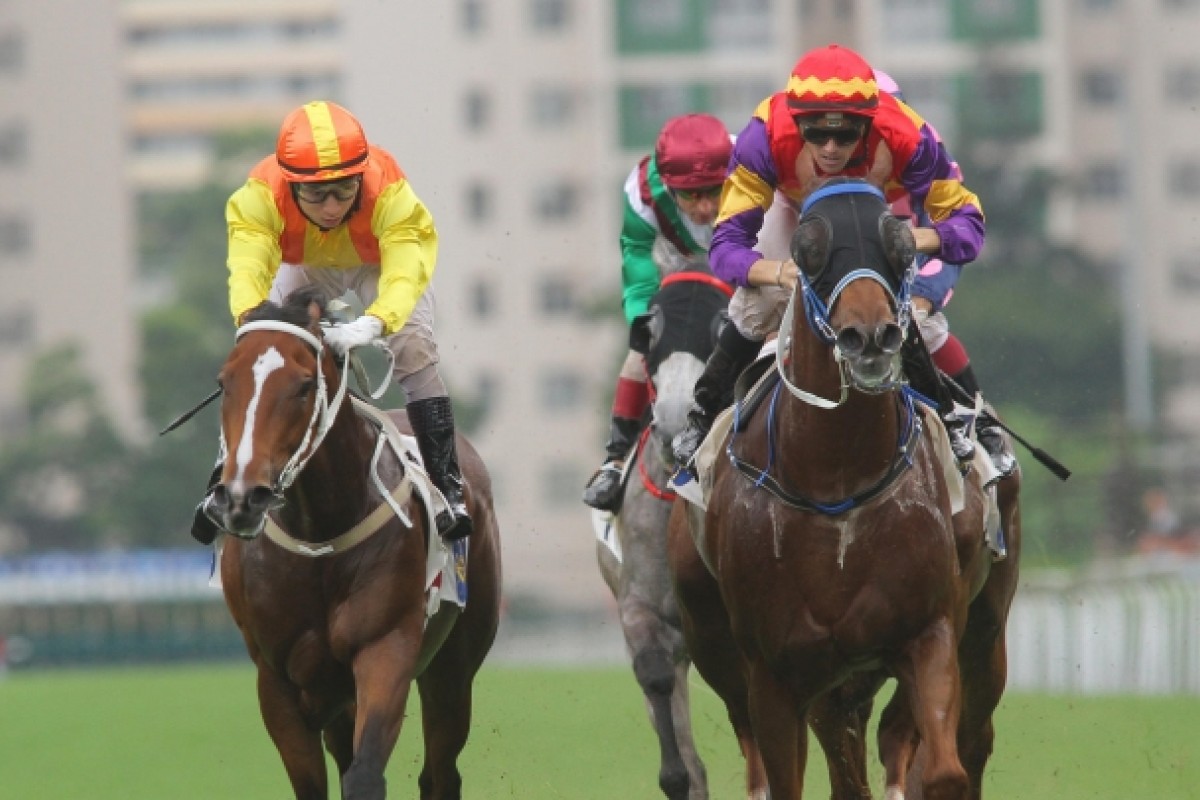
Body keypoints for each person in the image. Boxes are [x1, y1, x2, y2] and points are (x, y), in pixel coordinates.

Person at [671, 43, 992, 474]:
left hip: (877, 211)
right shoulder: (764, 134)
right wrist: (777, 273)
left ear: (870, 123)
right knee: (754, 305)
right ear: (795, 121)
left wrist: (914, 241)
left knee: (916, 316)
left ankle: (970, 421)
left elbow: (969, 227)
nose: (830, 149)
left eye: (846, 135)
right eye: (816, 134)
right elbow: (726, 247)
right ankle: (700, 417)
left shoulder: (909, 136)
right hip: (794, 207)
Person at [190, 100, 472, 544]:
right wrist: (251, 319)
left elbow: (405, 272)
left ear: (361, 176)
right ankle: (222, 479)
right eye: (317, 195)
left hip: (377, 265)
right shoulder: (258, 196)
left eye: (344, 190)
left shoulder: (390, 192)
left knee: (413, 346)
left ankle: (447, 487)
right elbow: (248, 270)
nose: (332, 207)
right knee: (259, 355)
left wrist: (372, 324)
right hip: (305, 264)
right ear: (290, 185)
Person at [581, 113, 733, 511]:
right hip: (678, 271)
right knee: (639, 354)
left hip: (743, 265)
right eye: (692, 196)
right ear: (668, 185)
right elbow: (636, 257)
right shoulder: (641, 191)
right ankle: (615, 460)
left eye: (713, 192)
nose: (705, 207)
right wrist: (643, 324)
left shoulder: (751, 171)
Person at [874, 69, 1015, 475]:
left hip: (901, 291)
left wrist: (922, 296)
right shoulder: (811, 165)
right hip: (826, 294)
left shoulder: (925, 159)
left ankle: (980, 424)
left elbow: (950, 242)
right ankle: (716, 420)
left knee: (928, 328)